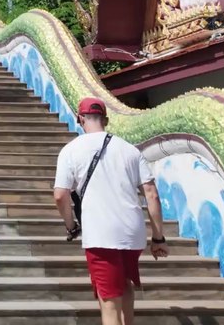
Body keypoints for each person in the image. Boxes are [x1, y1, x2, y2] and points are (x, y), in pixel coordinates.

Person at [53, 98, 169, 325]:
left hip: (101, 233)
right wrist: (158, 238)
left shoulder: (71, 150)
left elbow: (60, 195)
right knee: (125, 284)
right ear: (105, 120)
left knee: (109, 303)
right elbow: (151, 194)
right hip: (132, 232)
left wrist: (71, 225)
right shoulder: (129, 149)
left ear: (80, 118)